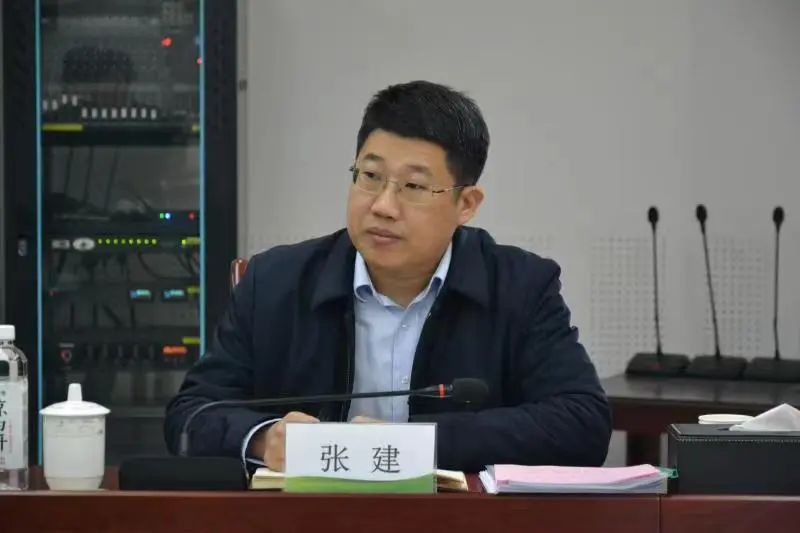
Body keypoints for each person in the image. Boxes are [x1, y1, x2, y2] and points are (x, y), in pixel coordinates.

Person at [165, 80, 611, 473]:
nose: (382, 206)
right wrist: (264, 438)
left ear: (466, 204)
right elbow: (191, 414)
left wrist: (413, 444)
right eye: (370, 176)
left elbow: (581, 423)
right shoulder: (275, 282)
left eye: (413, 187)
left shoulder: (520, 286)